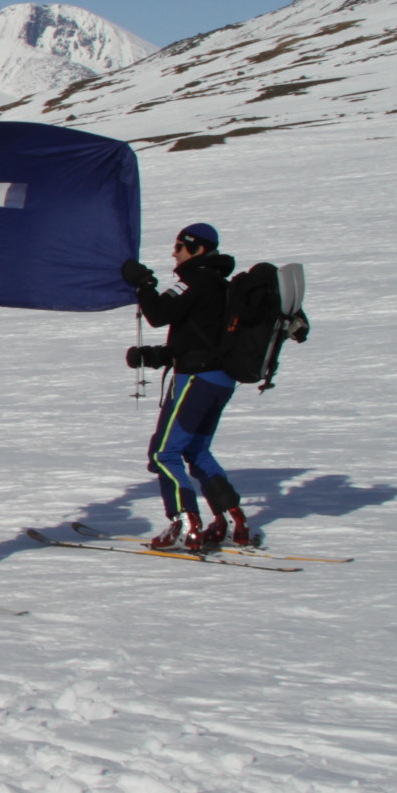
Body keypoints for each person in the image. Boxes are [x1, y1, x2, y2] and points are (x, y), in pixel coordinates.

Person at [122, 223, 247, 550]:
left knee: (164, 453)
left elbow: (159, 314)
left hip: (195, 380)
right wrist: (155, 355)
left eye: (180, 246)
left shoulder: (195, 280)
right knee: (196, 450)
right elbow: (198, 337)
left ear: (198, 249)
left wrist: (143, 285)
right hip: (220, 380)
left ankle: (185, 524)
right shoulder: (221, 285)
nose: (174, 252)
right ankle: (235, 521)